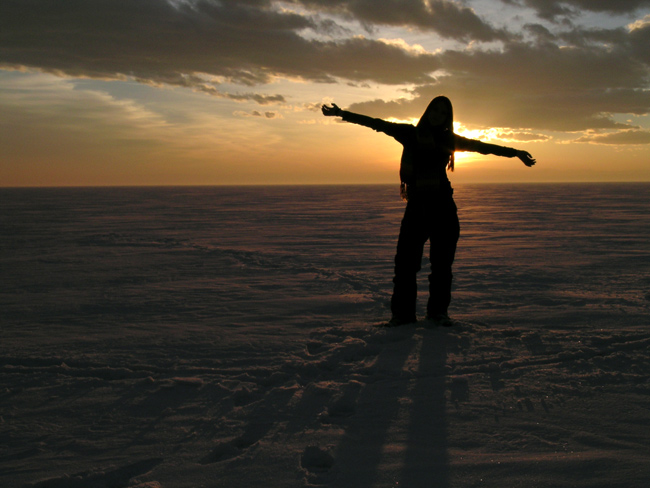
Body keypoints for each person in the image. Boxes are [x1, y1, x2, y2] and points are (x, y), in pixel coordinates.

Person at [322, 96, 536, 327]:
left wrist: (515, 152)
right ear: (428, 111)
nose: (437, 115)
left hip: (442, 206)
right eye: (435, 110)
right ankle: (403, 316)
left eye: (443, 112)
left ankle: (438, 314)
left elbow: (482, 147)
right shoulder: (409, 133)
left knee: (442, 265)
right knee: (405, 264)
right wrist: (342, 113)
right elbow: (377, 123)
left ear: (447, 117)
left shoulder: (449, 139)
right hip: (417, 206)